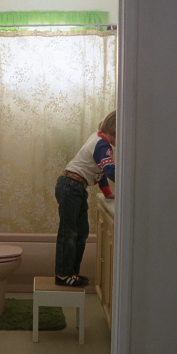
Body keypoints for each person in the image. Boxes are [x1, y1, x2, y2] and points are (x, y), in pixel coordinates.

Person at [54, 111, 116, 287]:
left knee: (81, 232)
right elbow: (109, 170)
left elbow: (100, 171)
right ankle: (63, 274)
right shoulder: (103, 145)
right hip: (71, 186)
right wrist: (129, 185)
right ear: (115, 130)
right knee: (69, 233)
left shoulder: (97, 139)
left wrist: (107, 193)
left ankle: (71, 273)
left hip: (73, 186)